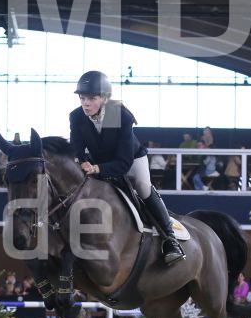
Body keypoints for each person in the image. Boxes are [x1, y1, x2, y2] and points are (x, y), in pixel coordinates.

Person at [68, 70, 184, 264]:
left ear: (105, 98)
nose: (85, 103)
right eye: (82, 98)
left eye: (92, 98)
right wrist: (81, 161)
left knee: (143, 187)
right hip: (98, 162)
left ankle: (170, 239)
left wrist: (97, 169)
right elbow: (76, 147)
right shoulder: (76, 116)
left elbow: (123, 162)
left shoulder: (119, 115)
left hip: (131, 160)